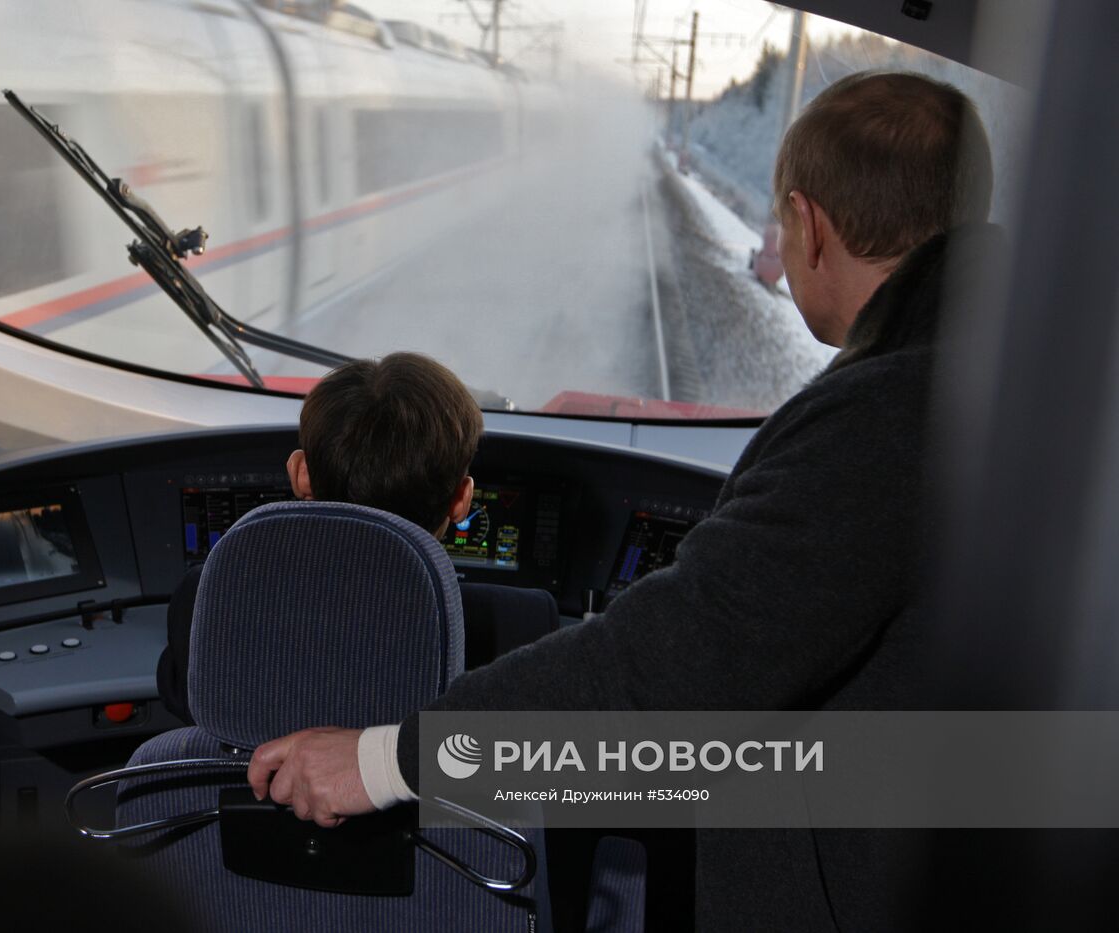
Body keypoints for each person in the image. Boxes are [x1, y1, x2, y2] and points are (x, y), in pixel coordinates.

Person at [245, 71, 1000, 930]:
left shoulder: (893, 413)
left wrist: (386, 763)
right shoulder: (986, 371)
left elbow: (674, 664)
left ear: (808, 224)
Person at [156, 351, 559, 724]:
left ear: (301, 475)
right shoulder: (521, 625)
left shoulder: (205, 597)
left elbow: (187, 703)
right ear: (461, 499)